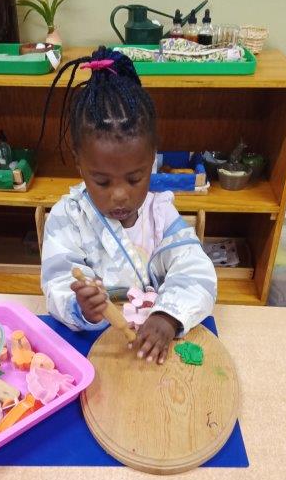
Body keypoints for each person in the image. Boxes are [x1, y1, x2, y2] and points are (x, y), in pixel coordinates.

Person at [41, 46, 216, 364]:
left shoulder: (159, 212)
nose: (120, 195)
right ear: (80, 164)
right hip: (95, 344)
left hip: (154, 340)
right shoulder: (69, 217)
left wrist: (168, 316)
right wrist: (82, 307)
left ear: (152, 160)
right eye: (102, 181)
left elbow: (197, 271)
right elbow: (57, 284)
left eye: (135, 178)